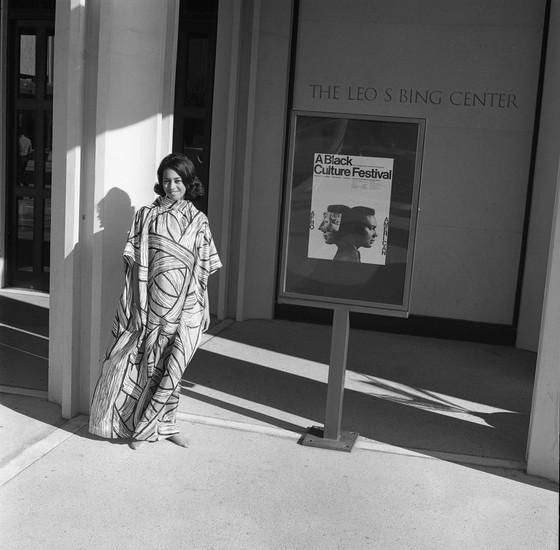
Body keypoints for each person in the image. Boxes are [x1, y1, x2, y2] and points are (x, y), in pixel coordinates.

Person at [89, 153, 222, 449]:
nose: (172, 186)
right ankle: (144, 428)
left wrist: (206, 306)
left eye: (178, 181)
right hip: (153, 307)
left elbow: (202, 269)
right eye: (166, 181)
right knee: (153, 366)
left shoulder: (199, 220)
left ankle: (168, 426)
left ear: (188, 183)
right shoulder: (147, 215)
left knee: (177, 366)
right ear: (160, 184)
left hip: (189, 307)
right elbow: (135, 264)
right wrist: (136, 306)